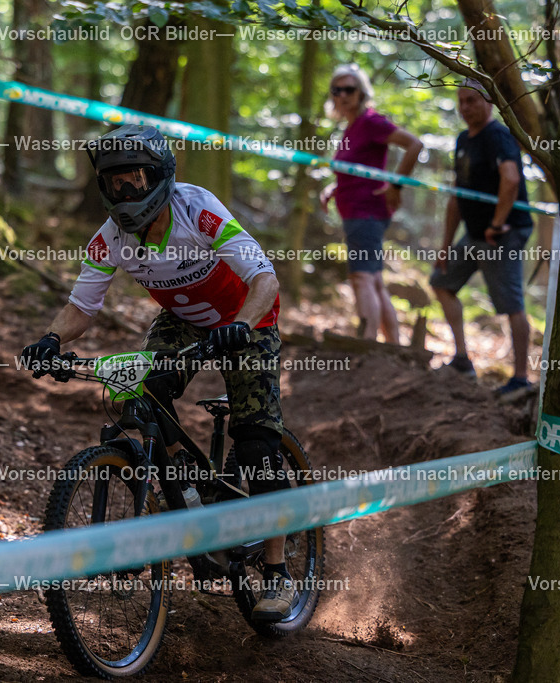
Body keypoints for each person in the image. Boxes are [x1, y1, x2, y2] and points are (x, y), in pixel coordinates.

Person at [21, 125, 297, 621]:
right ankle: (187, 491)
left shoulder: (198, 209)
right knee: (138, 394)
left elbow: (264, 278)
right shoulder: (109, 239)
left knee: (257, 441)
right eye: (116, 183)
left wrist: (240, 324)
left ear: (160, 176)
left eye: (135, 179)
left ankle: (277, 574)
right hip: (184, 320)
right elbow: (81, 307)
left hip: (246, 319)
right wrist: (51, 340)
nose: (126, 191)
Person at [430, 80, 533, 394]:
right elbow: (456, 196)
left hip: (503, 234)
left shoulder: (498, 135)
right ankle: (462, 360)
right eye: (461, 101)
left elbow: (510, 179)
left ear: (489, 101)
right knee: (442, 282)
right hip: (474, 234)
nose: (465, 107)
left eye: (472, 100)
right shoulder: (463, 140)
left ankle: (520, 379)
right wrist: (446, 246)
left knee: (511, 304)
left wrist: (497, 223)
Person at [319, 63, 423, 344]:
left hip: (366, 213)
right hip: (357, 212)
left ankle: (367, 344)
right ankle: (393, 347)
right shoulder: (352, 127)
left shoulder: (371, 122)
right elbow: (356, 171)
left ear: (362, 92)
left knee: (361, 278)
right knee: (374, 279)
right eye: (337, 90)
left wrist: (396, 184)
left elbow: (414, 144)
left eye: (349, 89)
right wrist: (334, 188)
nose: (342, 95)